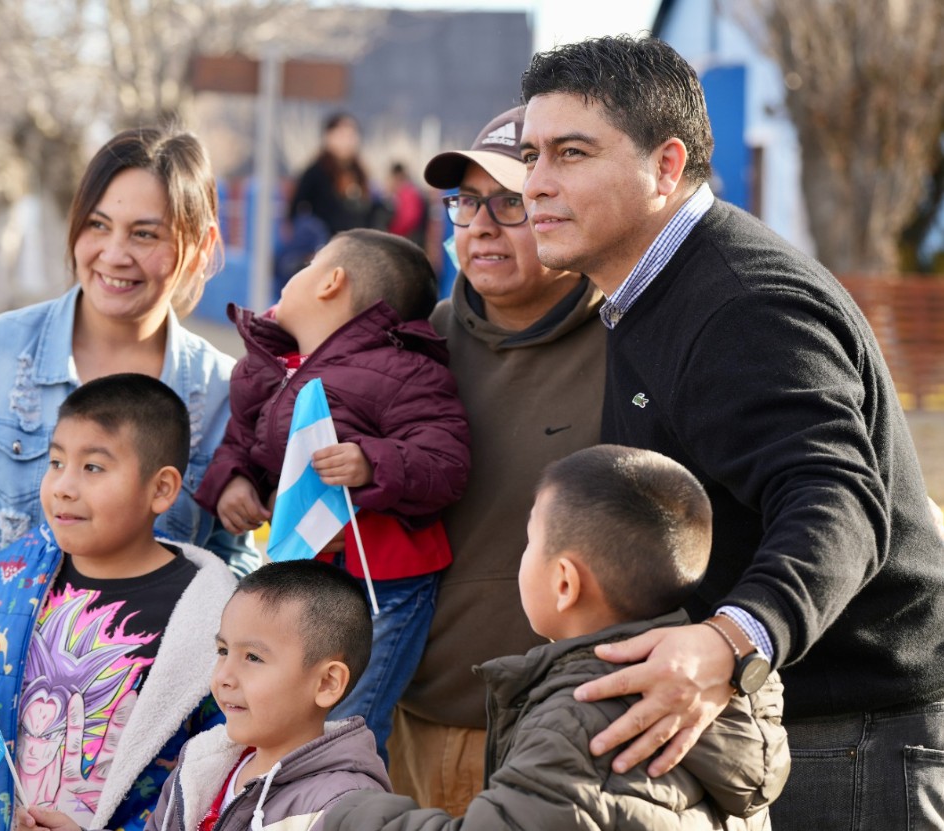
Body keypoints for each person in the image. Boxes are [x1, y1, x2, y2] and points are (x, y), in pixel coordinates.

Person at [517, 35, 944, 831]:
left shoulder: (741, 304)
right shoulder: (650, 290)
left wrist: (726, 645)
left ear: (665, 165)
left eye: (570, 153)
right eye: (531, 154)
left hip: (850, 738)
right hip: (786, 730)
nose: (534, 184)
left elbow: (838, 500)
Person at [0, 126, 259, 831]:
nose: (114, 254)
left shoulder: (227, 396)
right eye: (98, 225)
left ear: (198, 246)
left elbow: (237, 581)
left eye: (146, 233)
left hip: (139, 770)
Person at [329, 444, 790, 829]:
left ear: (565, 583)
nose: (523, 555)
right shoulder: (718, 693)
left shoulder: (581, 716)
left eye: (530, 541)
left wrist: (344, 813)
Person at [0, 374, 238, 831]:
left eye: (93, 468)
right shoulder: (13, 575)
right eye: (56, 461)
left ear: (161, 489)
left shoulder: (210, 617)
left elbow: (220, 776)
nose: (63, 486)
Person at [386, 106, 606, 816]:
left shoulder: (631, 345)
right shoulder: (416, 346)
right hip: (408, 726)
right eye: (465, 202)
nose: (479, 223)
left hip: (559, 740)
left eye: (508, 202)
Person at [195, 228, 471, 763]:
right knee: (281, 715)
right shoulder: (269, 368)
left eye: (307, 264)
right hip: (299, 577)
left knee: (347, 721)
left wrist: (372, 462)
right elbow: (240, 443)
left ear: (330, 282)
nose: (290, 277)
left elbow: (448, 462)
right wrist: (234, 483)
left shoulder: (405, 368)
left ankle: (343, 809)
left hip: (381, 585)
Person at [144, 560, 391, 830]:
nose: (224, 677)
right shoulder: (199, 766)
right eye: (223, 651)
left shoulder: (342, 808)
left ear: (326, 683)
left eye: (253, 657)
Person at [289, 113, 385, 240]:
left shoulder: (360, 171)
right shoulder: (317, 171)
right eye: (342, 135)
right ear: (329, 137)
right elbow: (297, 206)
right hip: (326, 244)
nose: (347, 141)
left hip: (358, 244)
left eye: (351, 135)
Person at [386, 162, 428, 249]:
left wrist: (392, 232)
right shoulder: (409, 191)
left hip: (410, 239)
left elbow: (409, 218)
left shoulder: (407, 193)